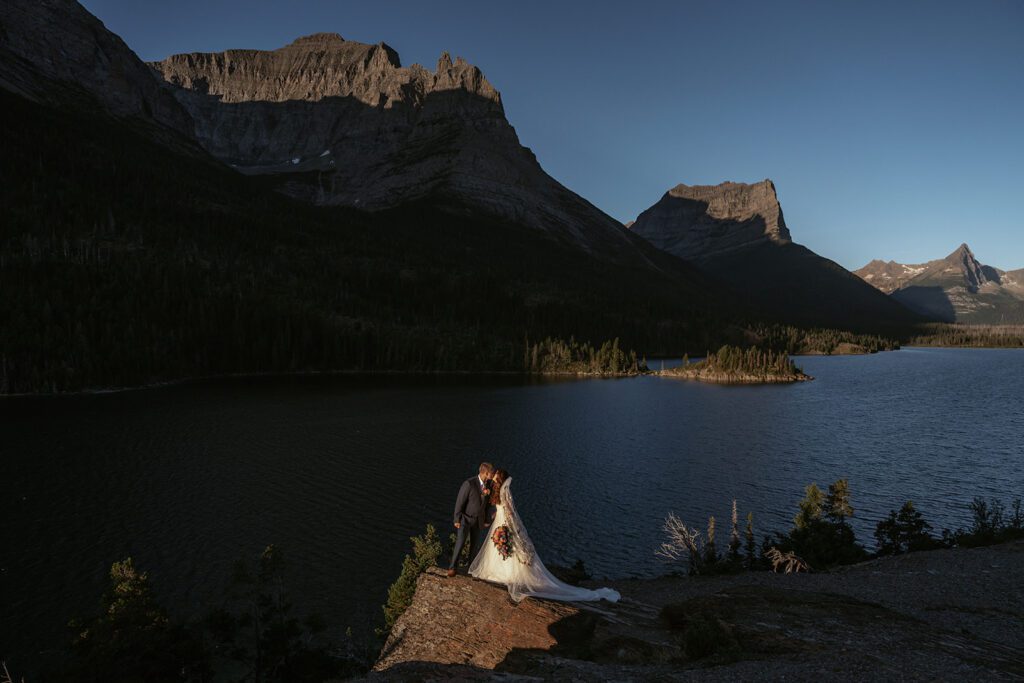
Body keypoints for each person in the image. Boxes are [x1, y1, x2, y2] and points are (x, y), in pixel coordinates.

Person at [469, 469, 620, 603]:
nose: (494, 477)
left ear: (499, 479)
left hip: (502, 524)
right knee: (502, 547)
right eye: (494, 475)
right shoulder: (498, 490)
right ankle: (500, 572)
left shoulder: (502, 492)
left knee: (505, 547)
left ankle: (503, 573)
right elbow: (505, 509)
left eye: (496, 476)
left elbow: (509, 512)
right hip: (500, 523)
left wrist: (510, 526)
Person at [447, 462, 494, 577]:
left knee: (475, 546)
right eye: (491, 472)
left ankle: (470, 569)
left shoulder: (490, 485)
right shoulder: (469, 484)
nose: (493, 474)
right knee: (460, 543)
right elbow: (460, 502)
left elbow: (488, 505)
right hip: (465, 519)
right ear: (486, 473)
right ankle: (452, 567)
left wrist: (487, 519)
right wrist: (457, 519)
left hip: (479, 521)